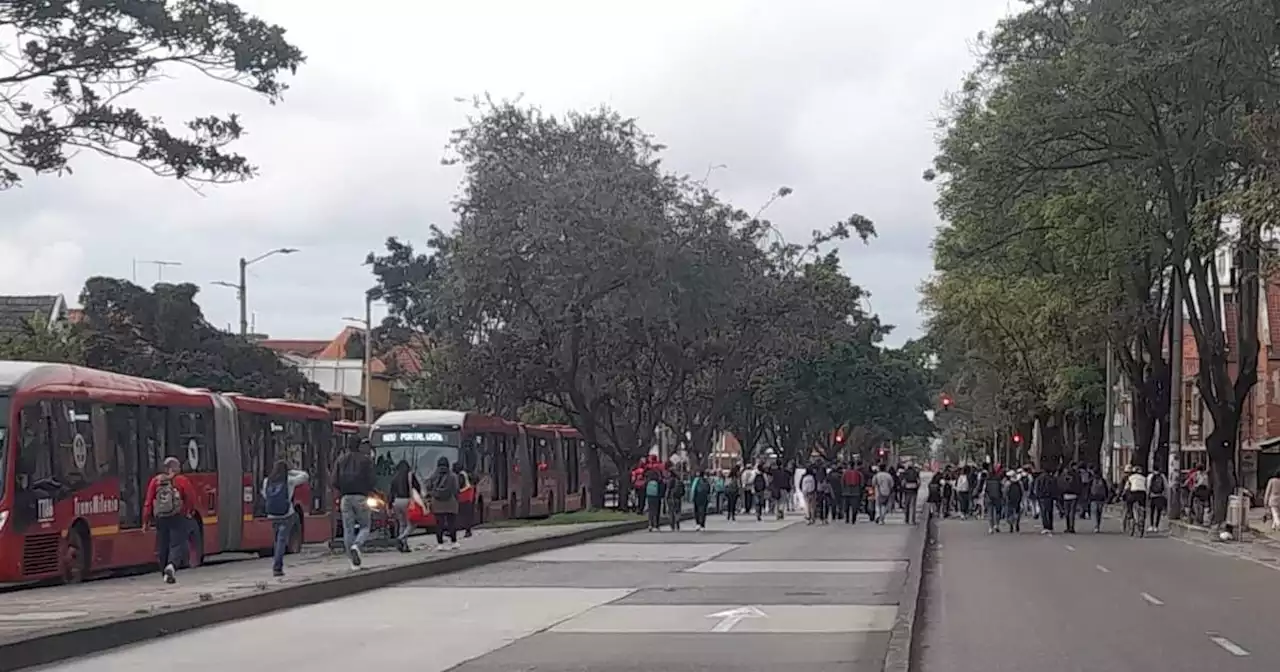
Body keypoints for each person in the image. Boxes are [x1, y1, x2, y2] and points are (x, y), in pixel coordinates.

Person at [143, 457, 200, 584]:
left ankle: (164, 572)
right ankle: (171, 566)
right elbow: (191, 497)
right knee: (177, 544)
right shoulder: (181, 480)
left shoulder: (155, 481)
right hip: (178, 516)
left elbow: (148, 501)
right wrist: (189, 511)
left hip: (161, 517)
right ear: (175, 468)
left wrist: (146, 520)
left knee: (162, 544)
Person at [262, 459, 309, 576]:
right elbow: (305, 476)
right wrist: (291, 471)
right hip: (286, 514)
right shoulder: (289, 480)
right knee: (282, 540)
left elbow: (264, 495)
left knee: (277, 539)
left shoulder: (267, 481)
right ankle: (277, 567)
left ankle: (277, 564)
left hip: (272, 514)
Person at [335, 438, 377, 569]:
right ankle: (357, 545)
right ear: (359, 446)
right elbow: (372, 480)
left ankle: (353, 564)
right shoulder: (365, 460)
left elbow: (333, 480)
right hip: (361, 497)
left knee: (348, 529)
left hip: (345, 498)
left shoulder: (340, 460)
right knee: (365, 526)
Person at [388, 460, 422, 553]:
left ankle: (404, 546)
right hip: (407, 500)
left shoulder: (395, 477)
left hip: (397, 501)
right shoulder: (410, 475)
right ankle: (400, 538)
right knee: (412, 524)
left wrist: (390, 505)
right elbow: (417, 487)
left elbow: (391, 492)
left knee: (402, 524)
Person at [428, 456, 461, 550]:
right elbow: (456, 489)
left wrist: (433, 494)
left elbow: (428, 486)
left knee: (439, 524)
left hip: (437, 503)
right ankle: (454, 542)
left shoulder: (434, 475)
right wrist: (457, 499)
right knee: (452, 523)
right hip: (450, 502)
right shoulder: (453, 476)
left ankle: (440, 544)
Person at [1122, 465, 1147, 532]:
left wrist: (1123, 494)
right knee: (1142, 506)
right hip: (1142, 494)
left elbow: (1127, 487)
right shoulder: (1144, 478)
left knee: (1129, 504)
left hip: (1133, 493)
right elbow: (1146, 486)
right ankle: (1142, 515)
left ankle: (1131, 516)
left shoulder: (1131, 478)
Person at [454, 462, 476, 538]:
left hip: (463, 498)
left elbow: (459, 485)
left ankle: (464, 531)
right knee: (466, 516)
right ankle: (467, 531)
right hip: (467, 497)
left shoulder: (461, 475)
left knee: (459, 515)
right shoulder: (465, 473)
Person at [1034, 467, 1058, 534]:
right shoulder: (1051, 478)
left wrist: (1038, 495)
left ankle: (1045, 527)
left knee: (1043, 512)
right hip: (1049, 497)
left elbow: (1036, 488)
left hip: (1041, 497)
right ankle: (1050, 526)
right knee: (1050, 512)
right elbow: (1054, 487)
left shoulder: (1039, 478)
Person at [1059, 464, 1081, 534]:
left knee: (1067, 512)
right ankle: (1072, 527)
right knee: (1072, 512)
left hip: (1066, 496)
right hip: (1074, 495)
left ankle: (1068, 527)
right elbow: (1079, 485)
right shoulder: (1076, 475)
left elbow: (1060, 485)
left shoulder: (1063, 476)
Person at [983, 467, 1004, 534]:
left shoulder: (987, 480)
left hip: (989, 497)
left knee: (990, 513)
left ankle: (990, 528)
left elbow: (985, 490)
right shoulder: (998, 480)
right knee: (997, 512)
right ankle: (996, 525)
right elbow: (1001, 489)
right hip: (997, 497)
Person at [1088, 467, 1109, 533]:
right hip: (1101, 499)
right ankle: (1098, 526)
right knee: (1099, 513)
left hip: (1093, 498)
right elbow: (1106, 489)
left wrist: (1088, 498)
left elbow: (1088, 489)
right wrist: (1106, 497)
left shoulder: (1091, 480)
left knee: (1094, 513)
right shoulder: (1102, 480)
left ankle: (1096, 526)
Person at [1146, 468, 1168, 532]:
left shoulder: (1150, 476)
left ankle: (1151, 526)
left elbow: (1148, 486)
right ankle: (1156, 526)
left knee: (1152, 511)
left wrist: (1148, 495)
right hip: (1160, 495)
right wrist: (1165, 496)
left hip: (1152, 496)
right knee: (1158, 512)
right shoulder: (1162, 476)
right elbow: (1166, 486)